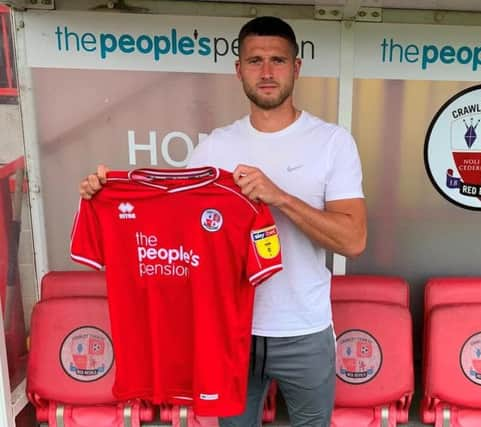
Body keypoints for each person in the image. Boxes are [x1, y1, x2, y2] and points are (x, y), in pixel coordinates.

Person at [79, 16, 367, 427]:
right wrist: (106, 193)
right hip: (231, 333)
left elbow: (353, 240)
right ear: (238, 70)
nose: (266, 72)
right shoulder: (215, 147)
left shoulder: (332, 142)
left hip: (305, 329)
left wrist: (279, 196)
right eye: (254, 61)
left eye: (277, 60)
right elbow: (170, 220)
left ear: (297, 67)